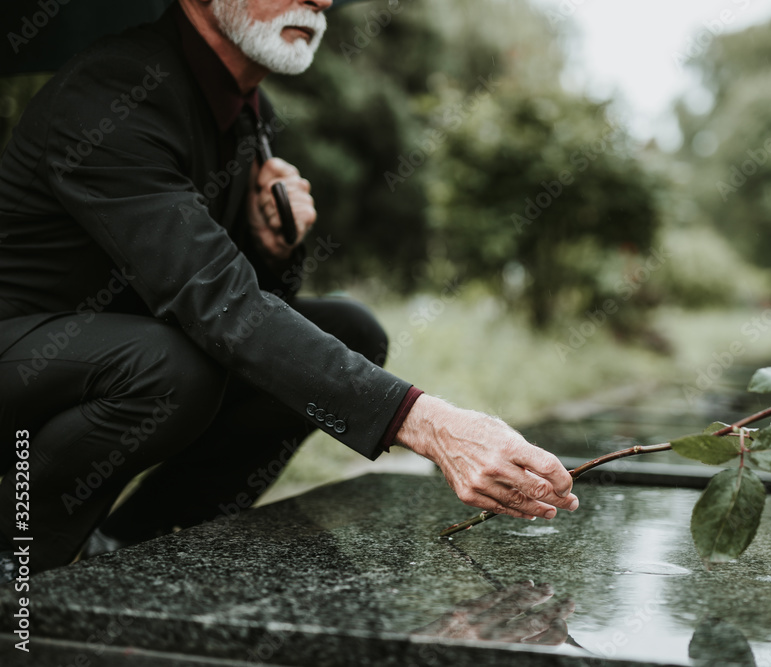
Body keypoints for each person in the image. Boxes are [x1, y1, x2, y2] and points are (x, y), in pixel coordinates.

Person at [0, 0, 577, 578]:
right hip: (26, 351)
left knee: (351, 329)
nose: (322, 1)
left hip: (124, 346)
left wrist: (272, 249)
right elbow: (214, 304)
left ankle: (139, 550)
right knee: (168, 366)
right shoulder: (112, 92)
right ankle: (15, 563)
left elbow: (223, 289)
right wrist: (426, 422)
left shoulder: (251, 115)